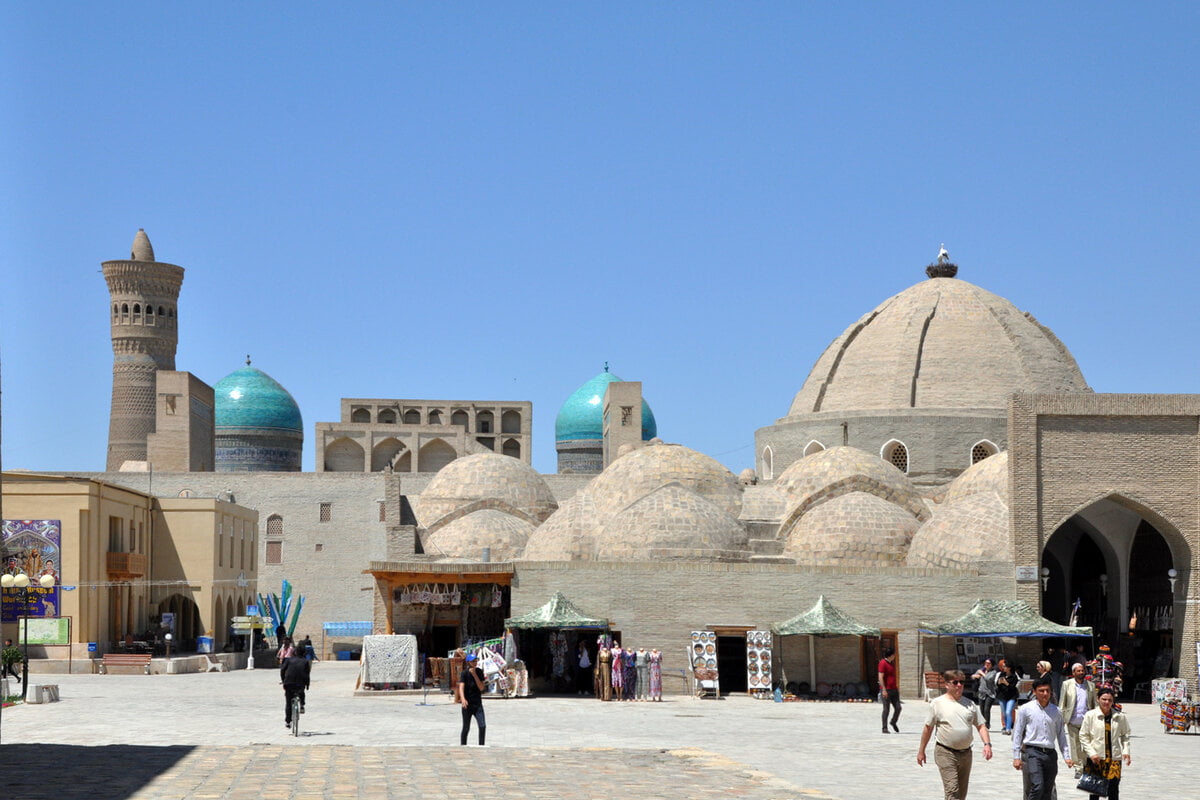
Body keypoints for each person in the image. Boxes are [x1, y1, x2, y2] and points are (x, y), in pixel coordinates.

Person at [916, 669, 992, 800]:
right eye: (955, 682)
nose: (959, 685)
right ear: (946, 685)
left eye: (961, 682)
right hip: (945, 752)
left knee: (961, 794)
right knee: (952, 790)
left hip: (966, 754)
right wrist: (921, 751)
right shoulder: (937, 703)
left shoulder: (970, 704)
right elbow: (928, 728)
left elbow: (981, 725)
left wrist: (987, 744)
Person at [1011, 676, 1072, 800]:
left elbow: (1061, 734)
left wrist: (1066, 756)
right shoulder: (1026, 709)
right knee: (1037, 786)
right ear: (1034, 692)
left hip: (1050, 754)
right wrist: (1016, 757)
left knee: (1047, 791)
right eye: (1041, 691)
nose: (1045, 694)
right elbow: (1017, 733)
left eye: (1047, 691)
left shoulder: (1056, 711)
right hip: (1032, 752)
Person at [1078, 687, 1131, 800]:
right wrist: (1091, 753)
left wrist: (1126, 751)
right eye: (1104, 699)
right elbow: (1083, 736)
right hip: (1096, 757)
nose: (1107, 702)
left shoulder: (1119, 717)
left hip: (1114, 758)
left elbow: (1125, 735)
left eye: (1110, 700)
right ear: (1098, 699)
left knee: (1113, 788)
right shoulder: (1090, 715)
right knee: (1095, 789)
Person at [1059, 661, 1096, 777]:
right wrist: (1061, 717)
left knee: (1086, 745)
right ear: (1073, 673)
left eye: (1082, 670)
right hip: (1072, 720)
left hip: (1086, 721)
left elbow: (1093, 703)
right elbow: (1062, 702)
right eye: (1078, 671)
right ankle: (1078, 768)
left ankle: (1085, 765)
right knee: (1075, 745)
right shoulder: (1067, 684)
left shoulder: (1090, 685)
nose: (1081, 673)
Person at [458, 653, 487, 746]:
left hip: (477, 704)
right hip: (467, 704)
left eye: (476, 660)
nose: (475, 663)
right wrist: (463, 699)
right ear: (468, 662)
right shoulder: (464, 673)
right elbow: (461, 687)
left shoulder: (479, 672)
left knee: (482, 726)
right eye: (473, 661)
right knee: (466, 727)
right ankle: (463, 745)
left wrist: (475, 675)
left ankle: (481, 745)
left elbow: (481, 688)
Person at [280, 647, 310, 728]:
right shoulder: (305, 662)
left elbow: (282, 670)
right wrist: (307, 685)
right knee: (301, 692)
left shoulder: (288, 660)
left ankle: (288, 722)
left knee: (288, 703)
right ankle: (302, 705)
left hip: (289, 683)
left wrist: (283, 680)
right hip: (300, 684)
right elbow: (307, 675)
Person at [878, 647, 901, 733]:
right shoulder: (882, 663)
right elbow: (880, 677)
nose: (895, 656)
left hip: (894, 689)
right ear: (891, 655)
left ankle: (893, 722)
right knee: (886, 709)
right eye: (894, 654)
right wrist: (884, 689)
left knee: (898, 708)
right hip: (886, 689)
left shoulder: (892, 663)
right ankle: (884, 728)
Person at [994, 658, 1019, 734]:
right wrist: (999, 682)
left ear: (1009, 668)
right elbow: (998, 685)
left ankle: (1008, 729)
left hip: (1011, 696)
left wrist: (1005, 682)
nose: (1003, 668)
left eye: (1005, 666)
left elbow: (1012, 687)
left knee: (1008, 712)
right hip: (1002, 696)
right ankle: (1005, 727)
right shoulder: (1002, 674)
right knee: (1004, 712)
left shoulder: (1014, 676)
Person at [971, 658, 997, 730]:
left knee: (986, 709)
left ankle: (987, 724)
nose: (986, 665)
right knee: (981, 709)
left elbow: (989, 679)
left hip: (990, 693)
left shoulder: (993, 672)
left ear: (992, 665)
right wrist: (975, 676)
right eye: (986, 663)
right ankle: (983, 723)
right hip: (981, 692)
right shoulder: (981, 670)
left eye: (988, 663)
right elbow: (973, 676)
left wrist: (982, 674)